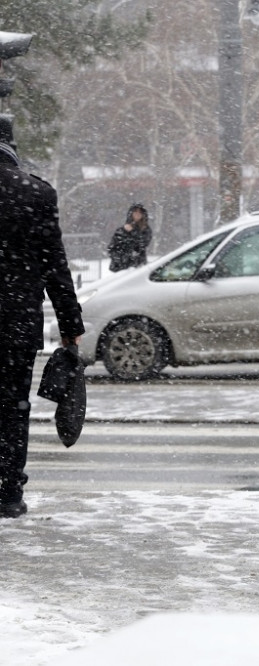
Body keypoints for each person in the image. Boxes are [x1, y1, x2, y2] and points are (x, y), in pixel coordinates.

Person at [0, 137, 85, 518]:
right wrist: (70, 323)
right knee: (13, 409)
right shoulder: (36, 194)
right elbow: (55, 265)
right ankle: (9, 491)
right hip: (15, 325)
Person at [107, 202, 152, 271]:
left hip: (137, 267)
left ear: (143, 214)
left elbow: (142, 245)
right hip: (120, 268)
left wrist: (132, 232)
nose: (137, 213)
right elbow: (111, 248)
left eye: (140, 212)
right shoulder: (121, 230)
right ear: (131, 213)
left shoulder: (145, 230)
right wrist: (119, 260)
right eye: (135, 211)